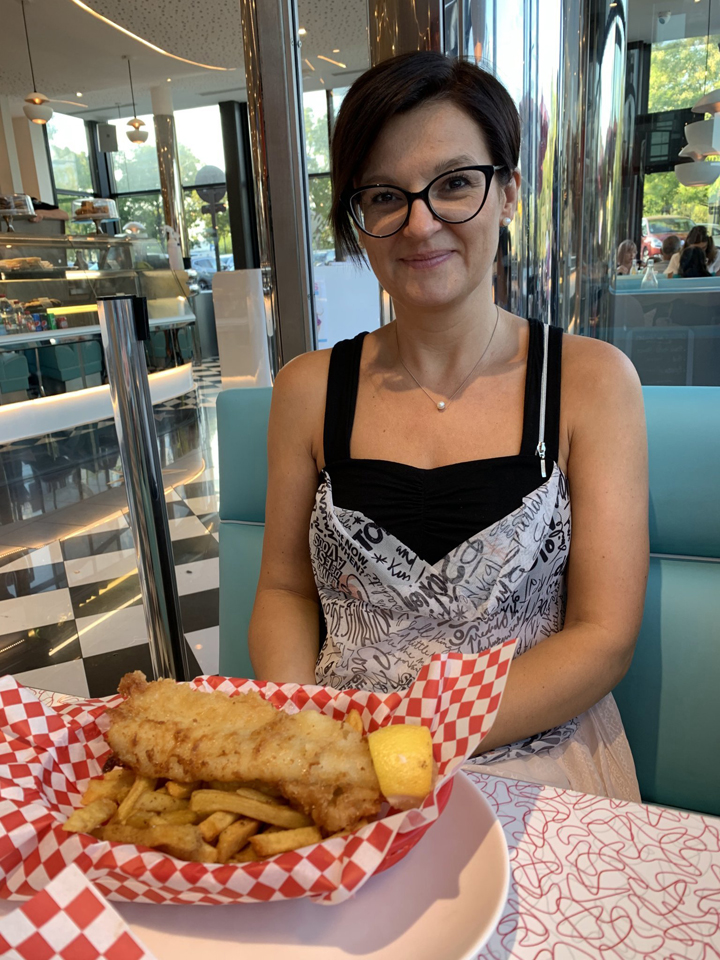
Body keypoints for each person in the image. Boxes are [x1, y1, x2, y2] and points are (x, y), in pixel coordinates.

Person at [249, 52, 648, 801]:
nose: (420, 223)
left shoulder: (591, 382)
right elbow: (284, 590)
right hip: (339, 754)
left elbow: (603, 637)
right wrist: (302, 730)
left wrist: (413, 740)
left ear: (509, 193)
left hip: (532, 753)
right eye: (384, 196)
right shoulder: (307, 388)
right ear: (358, 219)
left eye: (455, 183)